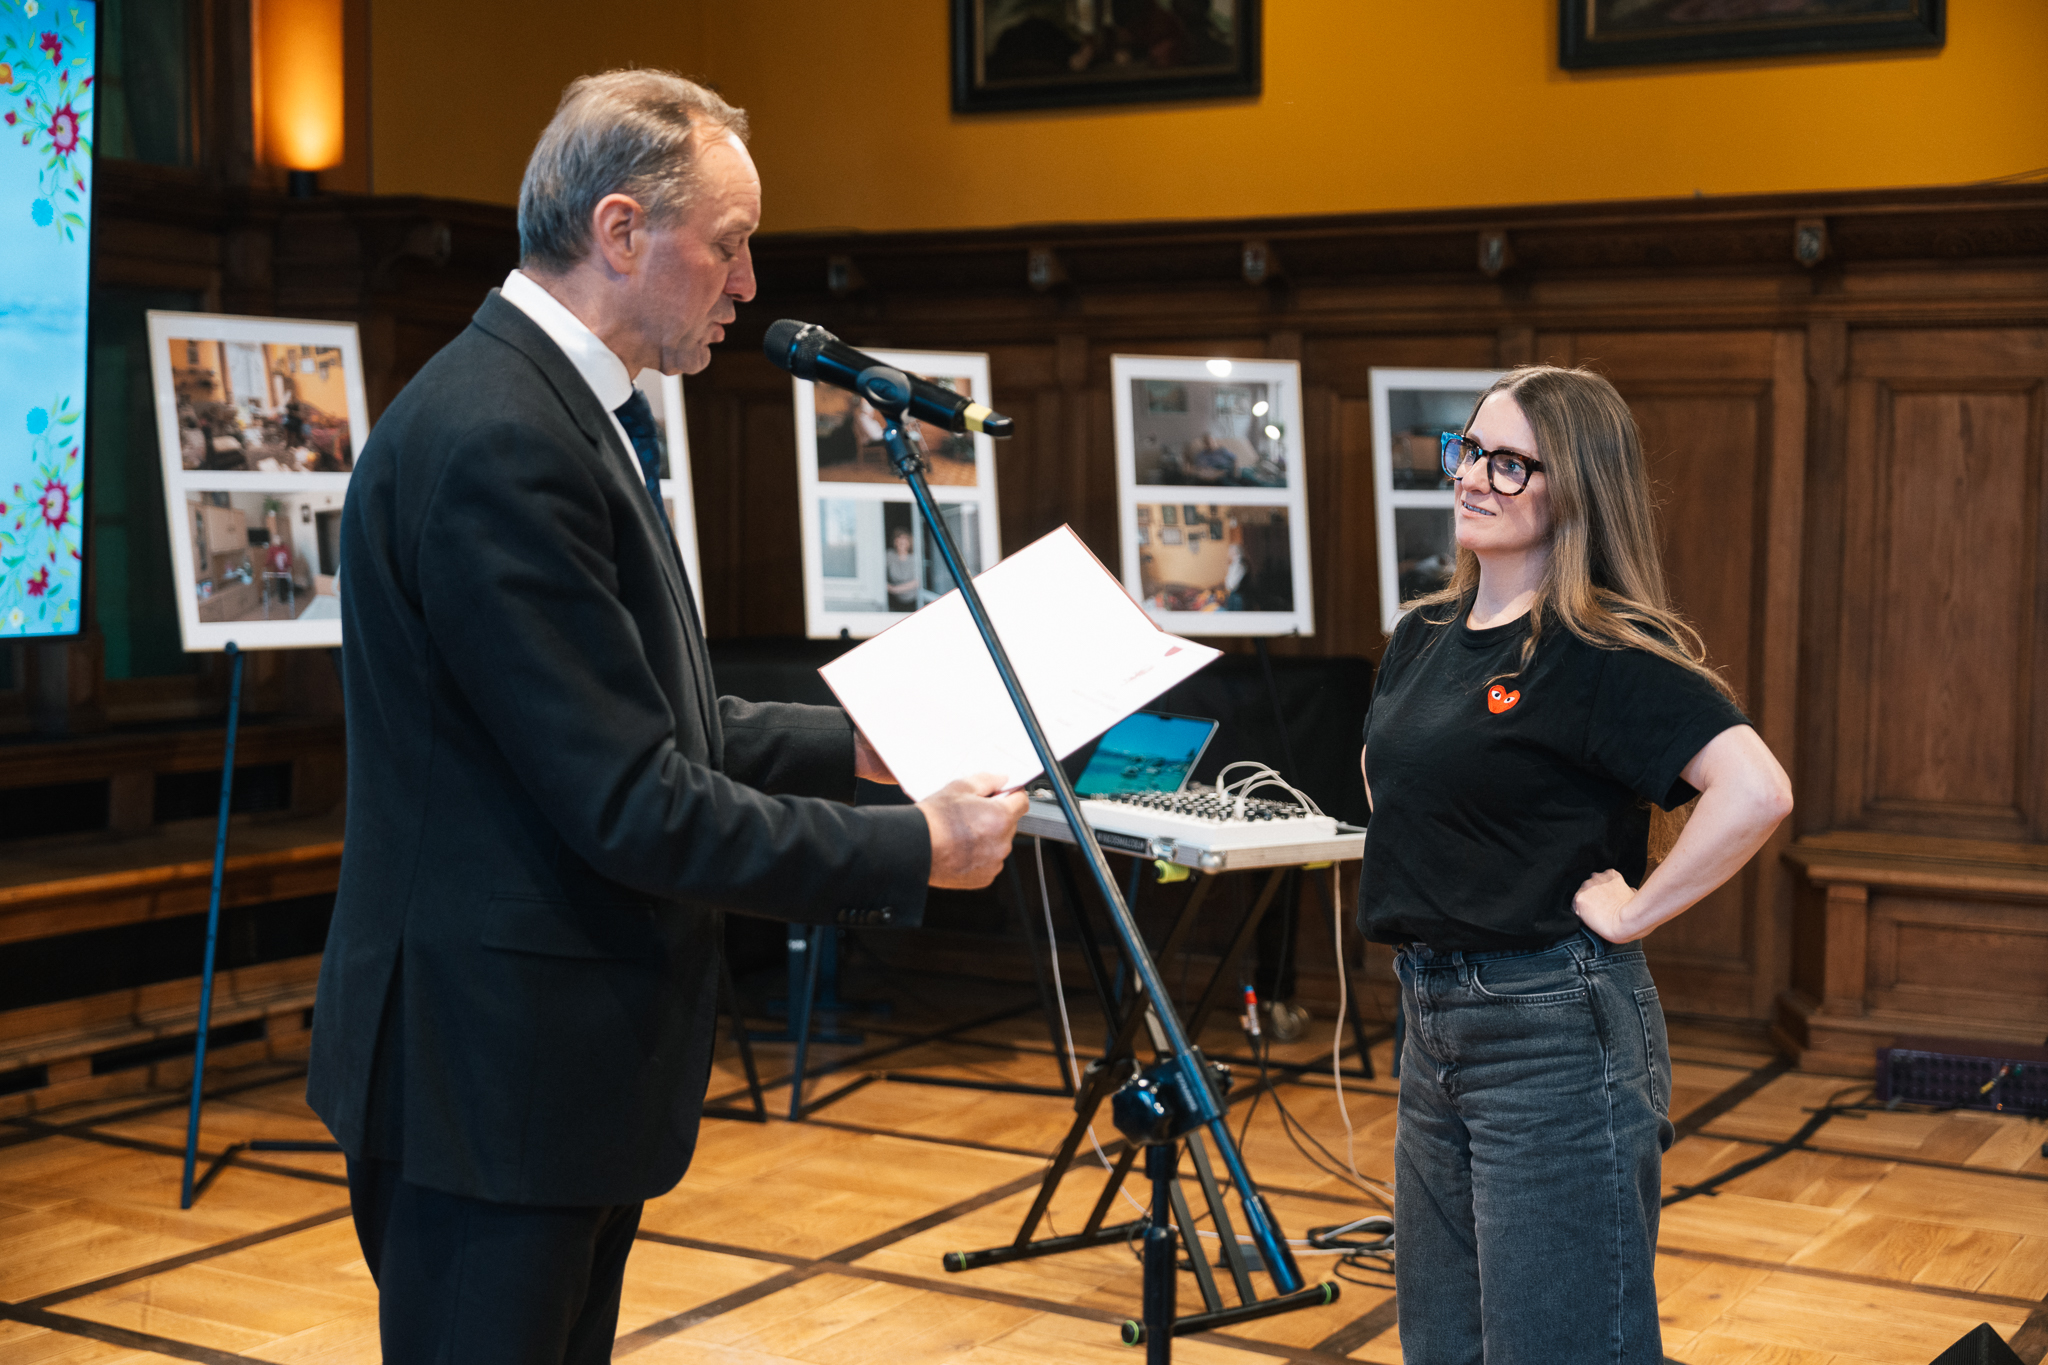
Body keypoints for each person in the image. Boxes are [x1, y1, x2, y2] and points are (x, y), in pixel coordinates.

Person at [306, 70, 1026, 1365]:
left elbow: (639, 715)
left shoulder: (551, 408)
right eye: (730, 243)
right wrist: (915, 846)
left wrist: (856, 744)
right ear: (621, 230)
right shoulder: (504, 437)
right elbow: (631, 799)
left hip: (535, 1073)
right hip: (488, 1075)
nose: (748, 284)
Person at [1356, 365, 1792, 1363]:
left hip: (1550, 1032)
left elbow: (1755, 789)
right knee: (1443, 1347)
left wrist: (1637, 910)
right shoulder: (1422, 634)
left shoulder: (1601, 651)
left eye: (1510, 463)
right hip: (1429, 1021)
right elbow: (1392, 779)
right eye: (1469, 449)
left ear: (1579, 487)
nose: (1473, 476)